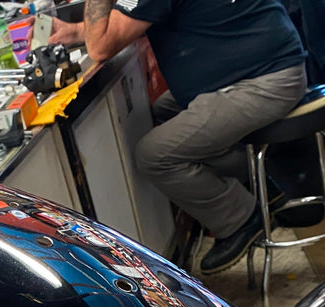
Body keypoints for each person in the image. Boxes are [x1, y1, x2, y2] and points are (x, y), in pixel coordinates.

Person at [47, 1, 307, 275]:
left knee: (154, 155)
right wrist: (75, 32)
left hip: (266, 79)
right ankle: (259, 181)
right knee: (163, 113)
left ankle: (241, 219)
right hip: (255, 69)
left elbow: (100, 48)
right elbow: (126, 23)